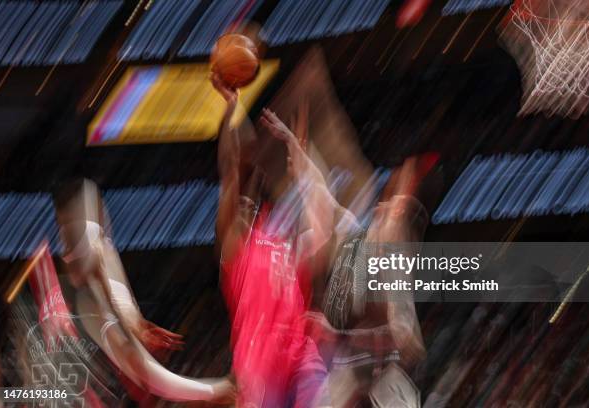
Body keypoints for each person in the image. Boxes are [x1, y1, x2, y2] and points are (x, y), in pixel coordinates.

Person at [54, 179, 235, 404]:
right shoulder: (91, 271)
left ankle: (215, 391)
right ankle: (215, 391)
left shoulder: (96, 247)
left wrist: (138, 324)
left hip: (106, 309)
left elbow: (104, 268)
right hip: (99, 312)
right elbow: (147, 374)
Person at [213, 72, 334, 407]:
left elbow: (322, 212)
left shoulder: (281, 239)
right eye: (238, 200)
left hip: (299, 357)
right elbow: (231, 169)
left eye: (248, 200)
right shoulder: (235, 248)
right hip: (257, 364)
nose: (243, 203)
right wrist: (231, 109)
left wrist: (296, 150)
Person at [306, 155, 440, 408]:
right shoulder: (367, 242)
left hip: (385, 370)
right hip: (366, 366)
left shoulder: (393, 248)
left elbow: (397, 339)